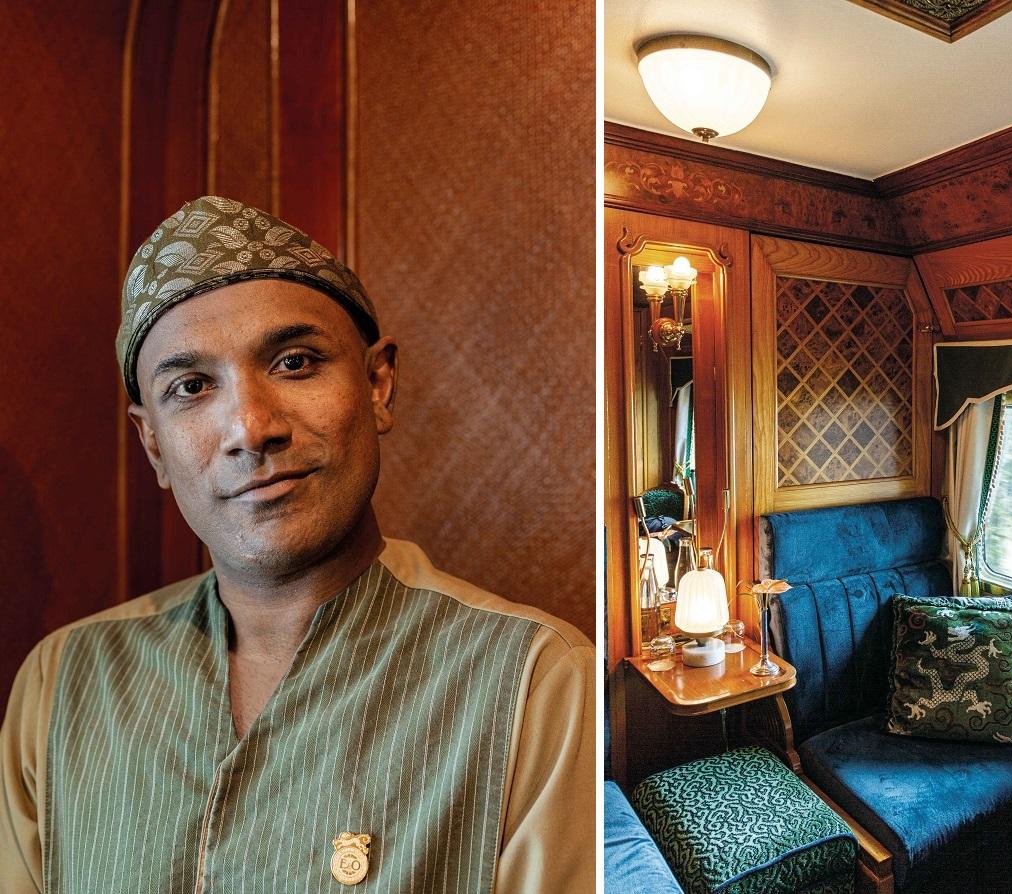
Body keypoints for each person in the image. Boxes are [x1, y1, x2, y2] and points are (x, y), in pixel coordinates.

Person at [0, 196, 594, 892]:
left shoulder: (532, 682)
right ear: (152, 442)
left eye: (294, 362)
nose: (251, 426)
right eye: (192, 387)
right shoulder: (63, 684)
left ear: (377, 385)